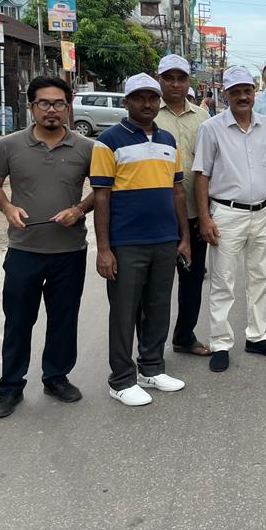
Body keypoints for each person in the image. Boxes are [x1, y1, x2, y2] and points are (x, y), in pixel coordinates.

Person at [0, 76, 94, 420]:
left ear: (68, 106)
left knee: (63, 319)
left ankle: (56, 377)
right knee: (18, 321)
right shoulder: (10, 145)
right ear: (31, 107)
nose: (51, 110)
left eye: (58, 103)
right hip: (24, 251)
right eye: (43, 103)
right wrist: (7, 208)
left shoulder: (86, 148)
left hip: (69, 251)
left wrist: (78, 210)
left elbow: (104, 190)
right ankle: (11, 387)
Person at [90, 73, 190, 407]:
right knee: (124, 311)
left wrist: (183, 236)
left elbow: (177, 191)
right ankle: (120, 379)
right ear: (126, 102)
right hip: (127, 241)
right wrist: (104, 249)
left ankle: (151, 367)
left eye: (152, 98)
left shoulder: (168, 140)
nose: (146, 104)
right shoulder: (108, 141)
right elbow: (101, 197)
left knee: (159, 306)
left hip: (164, 239)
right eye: (139, 98)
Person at [194, 65, 266, 372]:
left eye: (247, 91)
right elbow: (201, 175)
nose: (242, 96)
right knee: (223, 281)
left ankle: (257, 335)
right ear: (226, 95)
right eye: (235, 92)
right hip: (226, 213)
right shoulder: (211, 128)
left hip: (262, 212)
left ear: (254, 92)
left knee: (259, 278)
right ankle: (221, 343)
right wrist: (205, 220)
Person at [154, 54, 211, 357]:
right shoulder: (149, 113)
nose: (175, 84)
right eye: (169, 78)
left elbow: (211, 164)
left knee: (192, 281)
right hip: (158, 216)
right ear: (159, 79)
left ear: (189, 81)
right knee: (158, 287)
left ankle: (184, 335)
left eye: (181, 78)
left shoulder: (203, 118)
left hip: (194, 211)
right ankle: (151, 349)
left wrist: (207, 214)